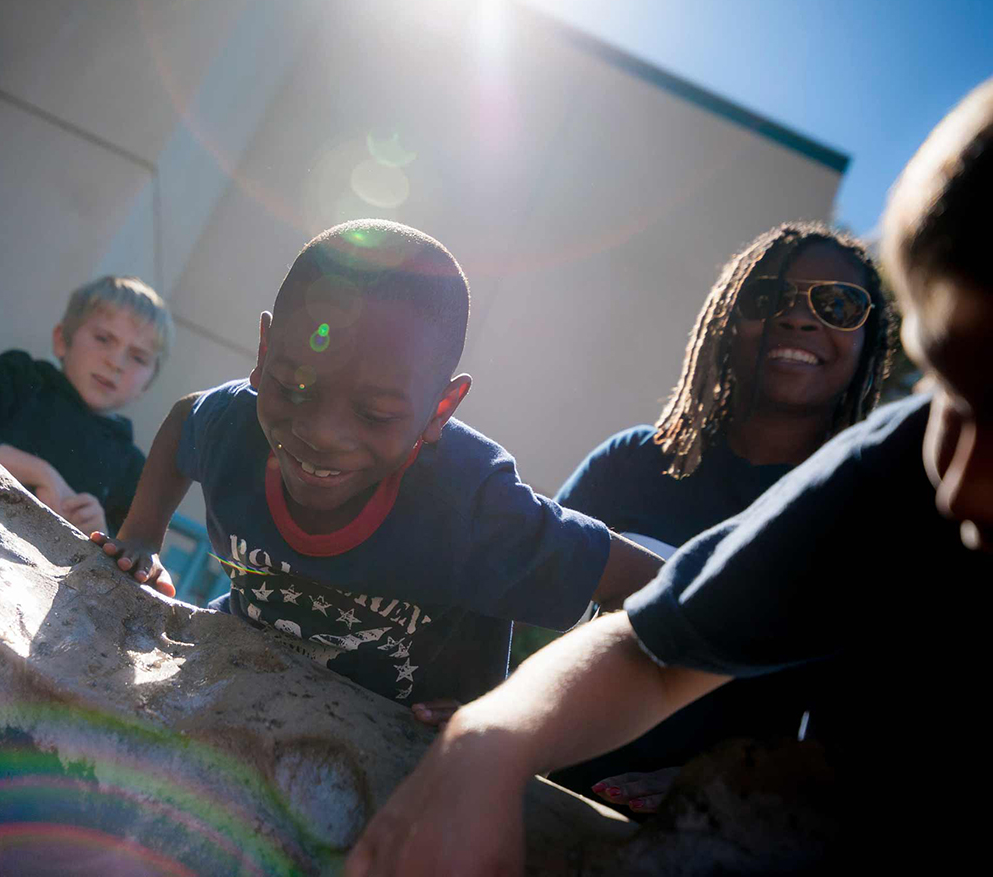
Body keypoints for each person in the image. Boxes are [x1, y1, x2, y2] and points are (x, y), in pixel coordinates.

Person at [345, 77, 993, 876]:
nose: (962, 484)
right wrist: (487, 734)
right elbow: (644, 647)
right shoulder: (880, 480)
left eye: (837, 305)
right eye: (949, 392)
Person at [92, 219, 665, 707]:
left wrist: (518, 715)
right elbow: (182, 423)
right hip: (245, 677)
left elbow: (655, 589)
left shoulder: (471, 504)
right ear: (264, 352)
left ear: (440, 409)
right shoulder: (232, 427)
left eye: (375, 413)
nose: (321, 433)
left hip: (400, 739)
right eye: (294, 386)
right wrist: (141, 536)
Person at [550, 223, 896, 811]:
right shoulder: (630, 462)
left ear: (870, 341)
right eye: (769, 298)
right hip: (548, 789)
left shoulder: (871, 517)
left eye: (837, 304)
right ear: (725, 321)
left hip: (729, 839)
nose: (799, 319)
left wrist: (730, 789)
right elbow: (527, 620)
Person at [0, 275, 172, 537]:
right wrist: (39, 473)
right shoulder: (17, 377)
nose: (116, 362)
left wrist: (101, 534)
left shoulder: (134, 469)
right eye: (103, 339)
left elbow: (132, 550)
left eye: (137, 357)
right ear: (62, 340)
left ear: (148, 383)